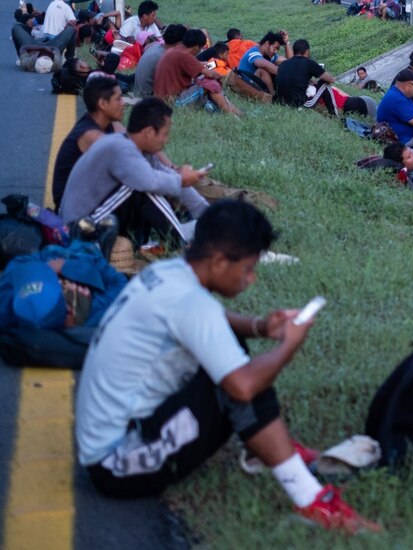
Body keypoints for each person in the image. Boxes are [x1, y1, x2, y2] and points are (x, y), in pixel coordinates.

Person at [75, 200, 379, 534]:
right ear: (219, 262)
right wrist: (289, 345)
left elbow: (213, 323)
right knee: (241, 385)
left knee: (234, 354)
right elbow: (243, 387)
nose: (252, 278)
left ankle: (268, 449)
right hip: (116, 464)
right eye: (248, 268)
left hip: (110, 438)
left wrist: (261, 326)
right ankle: (312, 500)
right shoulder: (192, 304)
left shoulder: (167, 273)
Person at [59, 98, 208, 244]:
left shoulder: (138, 148)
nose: (166, 140)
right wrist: (181, 180)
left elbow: (167, 174)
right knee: (141, 187)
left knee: (151, 181)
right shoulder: (120, 149)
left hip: (101, 218)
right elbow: (151, 182)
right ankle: (179, 239)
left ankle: (199, 226)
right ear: (149, 132)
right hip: (80, 227)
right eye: (165, 134)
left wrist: (206, 212)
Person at [52, 78, 125, 208]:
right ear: (103, 104)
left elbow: (137, 142)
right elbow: (128, 163)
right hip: (73, 207)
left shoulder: (106, 122)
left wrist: (167, 167)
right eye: (118, 99)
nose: (123, 103)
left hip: (87, 196)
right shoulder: (91, 136)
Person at [154, 29, 242, 116]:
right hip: (172, 102)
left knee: (205, 81)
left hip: (162, 98)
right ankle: (231, 111)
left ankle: (226, 108)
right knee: (210, 84)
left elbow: (192, 64)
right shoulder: (185, 56)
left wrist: (202, 64)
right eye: (201, 48)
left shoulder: (176, 50)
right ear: (196, 47)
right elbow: (210, 74)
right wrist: (220, 76)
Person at [131, 23, 183, 98]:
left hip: (138, 91)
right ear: (179, 43)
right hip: (147, 96)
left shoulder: (155, 46)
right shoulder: (166, 58)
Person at [377, 69, 413, 144]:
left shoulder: (400, 94)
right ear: (406, 85)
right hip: (405, 142)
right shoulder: (396, 99)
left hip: (410, 137)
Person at [233, 31, 286, 97]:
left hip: (253, 85)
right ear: (267, 44)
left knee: (279, 66)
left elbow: (289, 62)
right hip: (244, 85)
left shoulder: (268, 55)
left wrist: (286, 44)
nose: (275, 51)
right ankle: (273, 97)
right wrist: (284, 73)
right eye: (275, 48)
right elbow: (262, 64)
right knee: (263, 70)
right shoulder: (253, 52)